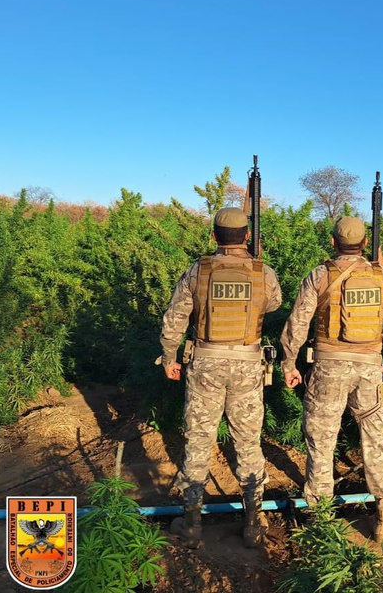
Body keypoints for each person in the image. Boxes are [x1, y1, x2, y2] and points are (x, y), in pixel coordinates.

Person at [159, 207, 282, 549]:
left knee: (198, 440)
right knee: (248, 441)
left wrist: (169, 357)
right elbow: (273, 304)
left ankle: (193, 523)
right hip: (247, 365)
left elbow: (175, 318)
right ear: (246, 236)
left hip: (206, 364)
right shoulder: (262, 271)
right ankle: (254, 522)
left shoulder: (199, 271)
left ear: (214, 236)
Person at [281, 215, 383, 543]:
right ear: (364, 244)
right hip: (369, 369)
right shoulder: (380, 274)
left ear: (333, 243)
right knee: (375, 439)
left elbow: (298, 323)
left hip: (328, 367)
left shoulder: (320, 275)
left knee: (321, 441)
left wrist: (289, 362)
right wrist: (380, 270)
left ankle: (321, 518)